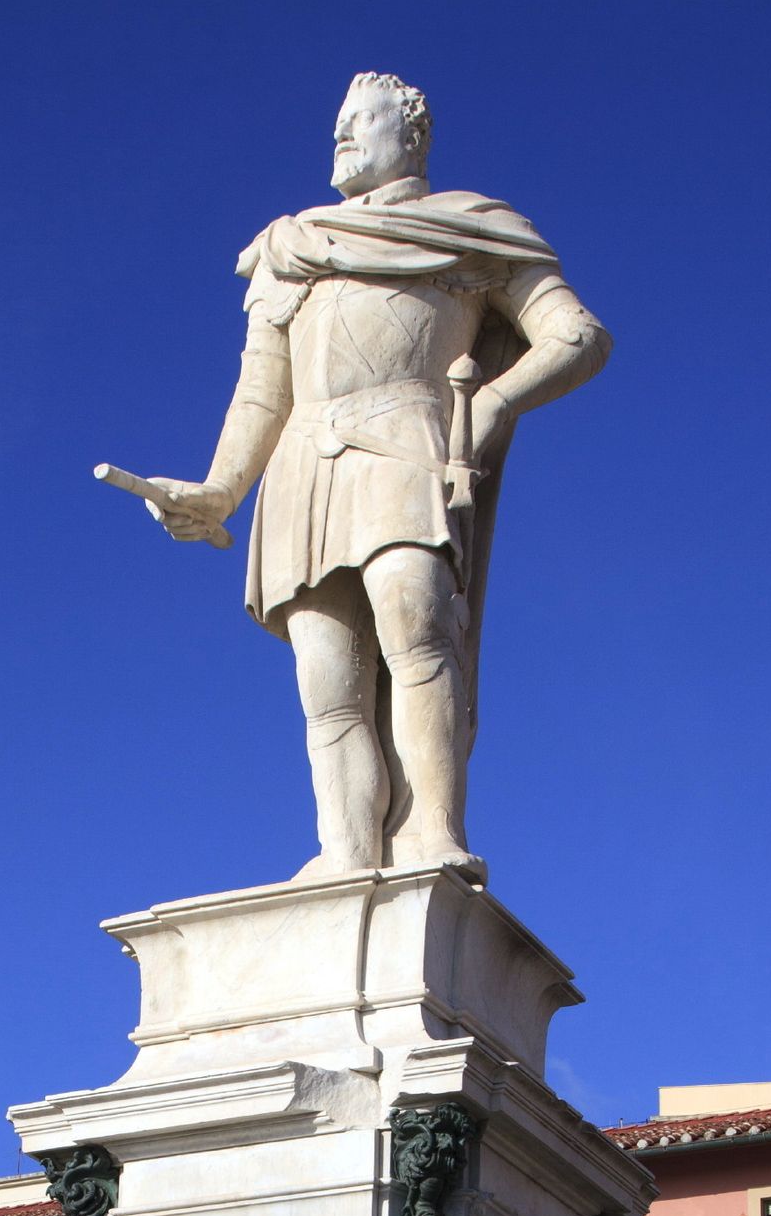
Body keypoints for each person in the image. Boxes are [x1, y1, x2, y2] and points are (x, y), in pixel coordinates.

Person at [131, 72, 609, 878]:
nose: (342, 138)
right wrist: (218, 491)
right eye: (337, 127)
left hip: (406, 438)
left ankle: (432, 837)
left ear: (412, 134)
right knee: (327, 676)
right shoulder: (290, 245)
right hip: (305, 464)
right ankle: (346, 853)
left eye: (361, 122)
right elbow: (261, 391)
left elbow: (576, 336)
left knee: (416, 623)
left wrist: (493, 404)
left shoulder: (472, 231)